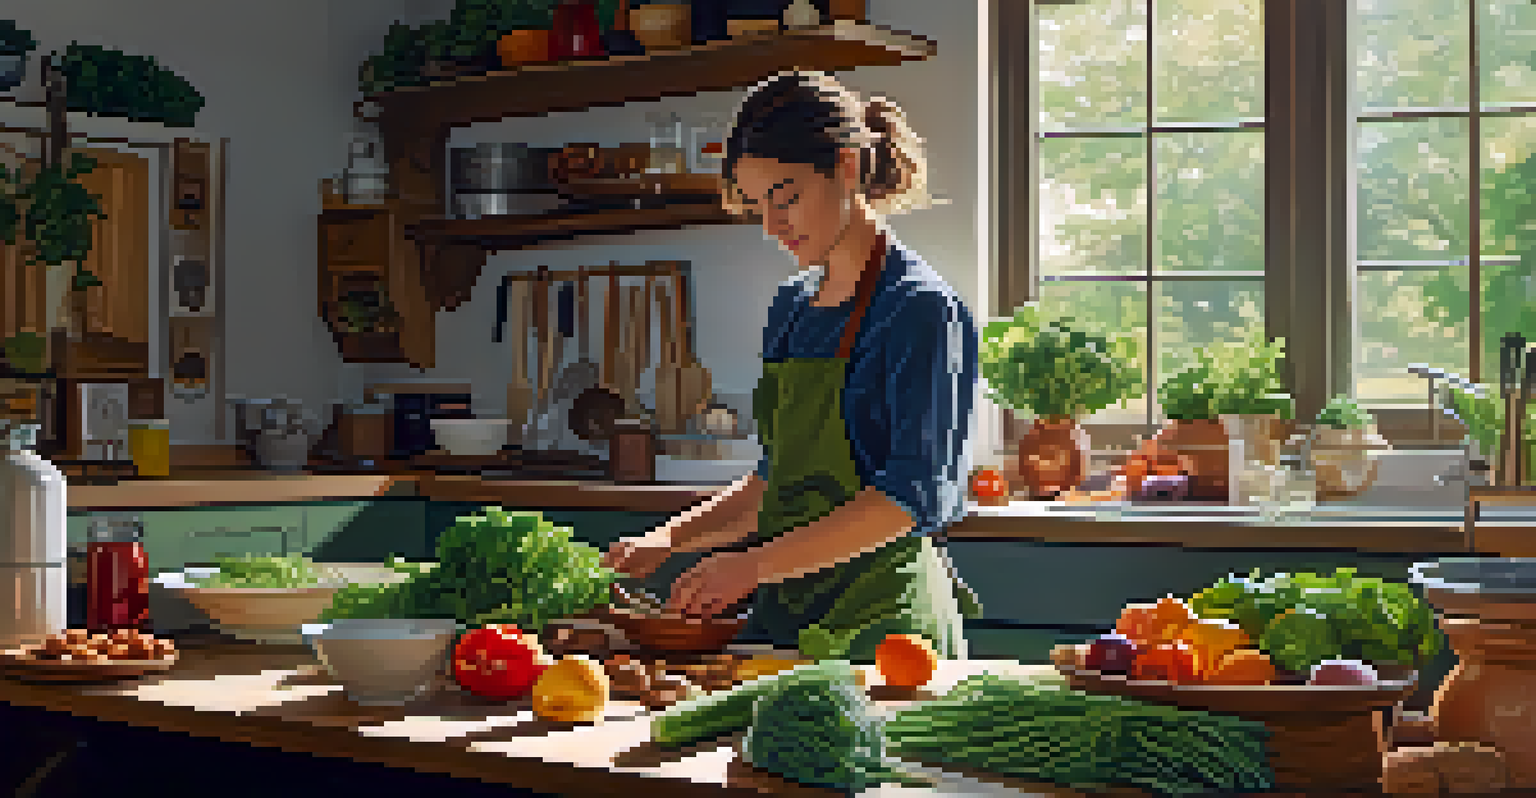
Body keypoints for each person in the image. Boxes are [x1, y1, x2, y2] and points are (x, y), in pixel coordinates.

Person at [602, 71, 982, 662]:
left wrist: (752, 565)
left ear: (848, 168)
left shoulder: (921, 310)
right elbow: (772, 486)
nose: (772, 226)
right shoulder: (792, 306)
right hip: (786, 611)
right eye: (757, 206)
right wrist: (670, 538)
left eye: (787, 197)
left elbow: (910, 498)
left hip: (885, 628)